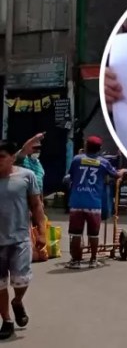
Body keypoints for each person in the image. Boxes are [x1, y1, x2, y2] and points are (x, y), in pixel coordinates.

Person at [0, 140, 46, 340]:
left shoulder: (26, 176)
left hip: (19, 239)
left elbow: (36, 205)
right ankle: (7, 321)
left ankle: (17, 301)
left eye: (1, 157)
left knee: (20, 281)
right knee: (0, 285)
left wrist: (42, 232)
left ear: (12, 157)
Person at [66, 136, 127, 269]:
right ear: (99, 149)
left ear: (86, 147)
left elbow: (71, 176)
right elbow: (115, 175)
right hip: (94, 203)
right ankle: (93, 260)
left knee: (76, 234)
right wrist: (122, 171)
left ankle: (75, 261)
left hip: (77, 202)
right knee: (94, 234)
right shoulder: (103, 162)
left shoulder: (77, 159)